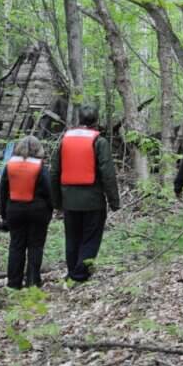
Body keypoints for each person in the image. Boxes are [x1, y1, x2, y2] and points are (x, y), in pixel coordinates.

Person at [50, 105, 119, 283]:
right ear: (97, 120)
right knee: (90, 238)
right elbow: (108, 174)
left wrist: (56, 201)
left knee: (72, 238)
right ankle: (80, 275)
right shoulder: (100, 142)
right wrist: (114, 201)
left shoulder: (64, 141)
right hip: (93, 201)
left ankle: (72, 273)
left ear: (79, 119)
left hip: (69, 201)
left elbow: (54, 172)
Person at [0, 135, 53, 289]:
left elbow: (3, 191)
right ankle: (33, 282)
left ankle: (14, 283)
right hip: (38, 211)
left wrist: (4, 214)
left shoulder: (10, 166)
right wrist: (51, 208)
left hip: (14, 210)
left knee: (16, 246)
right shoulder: (41, 167)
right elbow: (49, 191)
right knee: (36, 246)